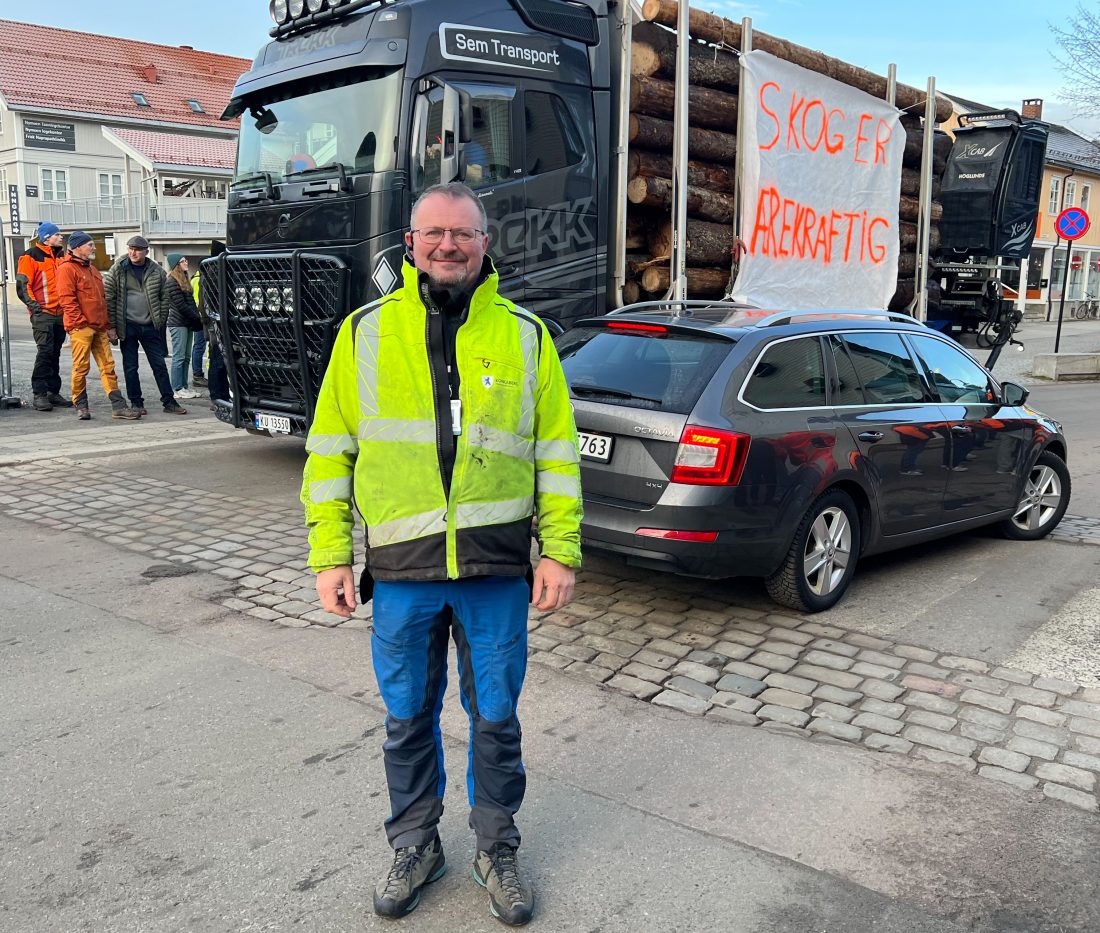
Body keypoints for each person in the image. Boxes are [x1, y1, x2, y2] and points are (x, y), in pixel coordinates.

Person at [301, 182, 582, 926]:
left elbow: (557, 454)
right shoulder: (363, 333)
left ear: (486, 243)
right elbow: (330, 451)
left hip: (494, 572)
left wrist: (560, 551)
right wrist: (331, 555)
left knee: (496, 718)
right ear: (410, 242)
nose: (448, 245)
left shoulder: (526, 336)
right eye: (434, 233)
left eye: (463, 233)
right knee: (406, 718)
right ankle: (416, 844)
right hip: (401, 573)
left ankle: (498, 847)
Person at [55, 231, 140, 421]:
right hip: (81, 328)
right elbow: (66, 300)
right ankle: (81, 404)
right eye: (90, 245)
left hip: (99, 327)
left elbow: (102, 300)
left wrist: (108, 326)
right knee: (81, 367)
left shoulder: (92, 270)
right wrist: (80, 323)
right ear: (77, 248)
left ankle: (118, 406)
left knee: (108, 366)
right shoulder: (67, 269)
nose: (93, 248)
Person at [104, 235, 186, 416]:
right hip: (127, 325)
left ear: (145, 251)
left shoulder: (156, 270)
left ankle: (169, 402)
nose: (133, 252)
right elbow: (108, 296)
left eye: (137, 249)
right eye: (130, 248)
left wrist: (160, 318)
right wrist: (111, 325)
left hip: (150, 326)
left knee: (159, 365)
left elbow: (165, 297)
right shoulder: (118, 268)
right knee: (130, 367)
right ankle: (136, 403)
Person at [16, 221, 72, 411]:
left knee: (54, 353)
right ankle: (39, 394)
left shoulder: (61, 257)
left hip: (60, 313)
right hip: (44, 314)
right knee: (45, 353)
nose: (61, 237)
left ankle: (52, 392)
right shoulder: (30, 256)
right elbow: (23, 285)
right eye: (58, 235)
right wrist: (36, 308)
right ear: (47, 238)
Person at [165, 253, 203, 399]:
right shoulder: (171, 281)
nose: (186, 262)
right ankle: (176, 388)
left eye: (186, 260)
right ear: (177, 264)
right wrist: (196, 317)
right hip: (178, 323)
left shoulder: (185, 278)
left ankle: (184, 387)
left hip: (187, 322)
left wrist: (196, 317)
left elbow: (191, 302)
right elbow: (180, 305)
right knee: (179, 357)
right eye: (183, 261)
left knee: (186, 357)